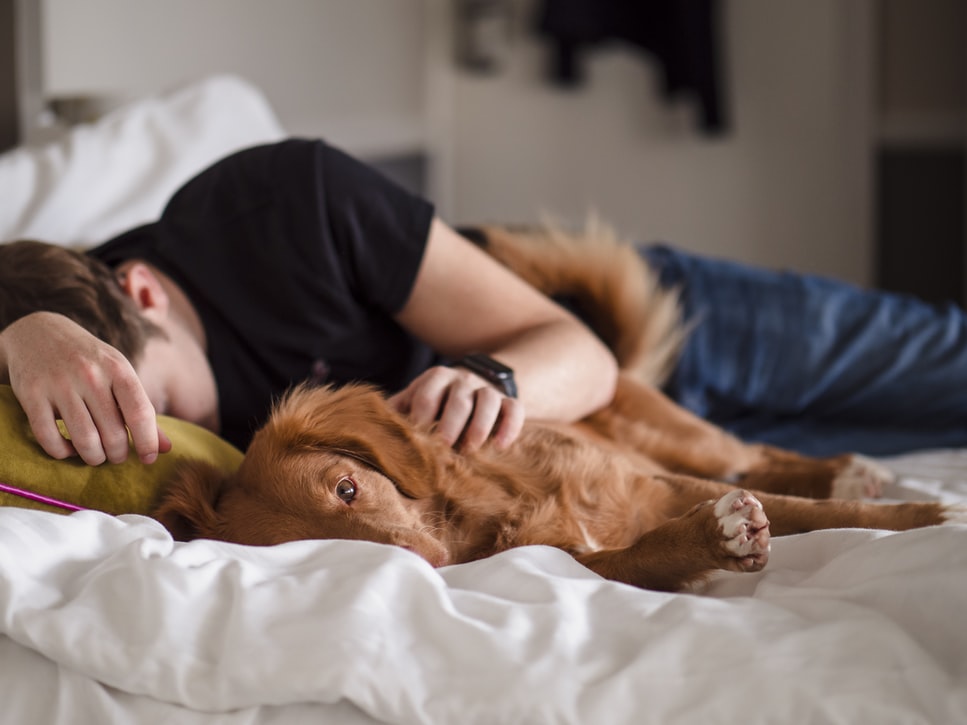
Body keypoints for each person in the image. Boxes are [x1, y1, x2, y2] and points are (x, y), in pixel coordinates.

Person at [3, 137, 967, 465]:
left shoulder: (283, 203)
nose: (159, 439)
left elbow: (581, 350)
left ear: (143, 290)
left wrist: (491, 377)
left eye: (158, 402)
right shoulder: (61, 367)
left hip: (650, 331)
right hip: (620, 459)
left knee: (945, 366)